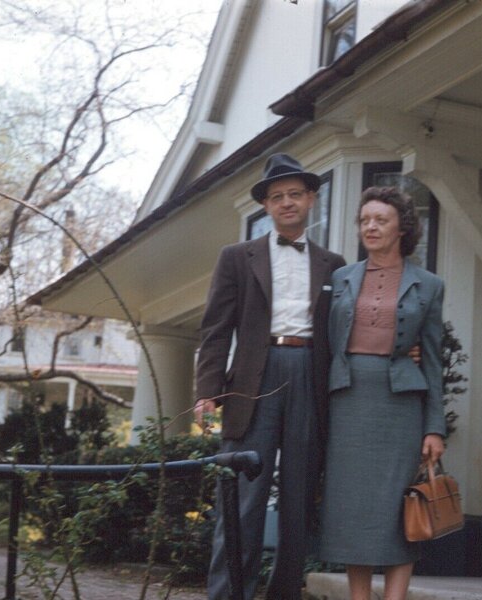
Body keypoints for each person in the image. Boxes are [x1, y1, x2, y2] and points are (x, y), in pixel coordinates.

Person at [194, 153, 346, 600]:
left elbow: (346, 329)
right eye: (277, 197)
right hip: (251, 381)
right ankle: (228, 595)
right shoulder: (237, 257)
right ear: (266, 206)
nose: (286, 203)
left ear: (311, 199)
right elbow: (216, 329)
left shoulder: (334, 264)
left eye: (295, 194)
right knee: (242, 498)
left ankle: (284, 594)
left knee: (299, 501)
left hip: (309, 375)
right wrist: (207, 392)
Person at [319, 186, 446, 600]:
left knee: (397, 507)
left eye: (381, 220)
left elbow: (431, 360)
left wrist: (434, 428)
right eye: (365, 220)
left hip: (400, 406)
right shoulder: (340, 278)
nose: (370, 227)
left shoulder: (428, 285)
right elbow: (325, 341)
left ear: (402, 228)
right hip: (348, 401)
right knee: (353, 507)